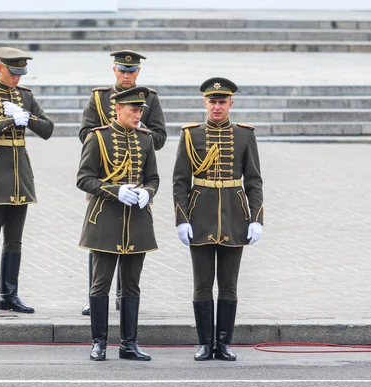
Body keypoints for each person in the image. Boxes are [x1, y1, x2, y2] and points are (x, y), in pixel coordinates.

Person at [172, 77, 264, 361]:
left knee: (228, 284)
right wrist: (181, 218)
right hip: (200, 216)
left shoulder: (245, 135)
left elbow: (254, 181)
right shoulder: (191, 135)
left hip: (234, 217)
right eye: (212, 101)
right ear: (205, 103)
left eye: (222, 101)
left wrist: (256, 218)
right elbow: (180, 181)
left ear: (230, 104)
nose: (217, 106)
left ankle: (223, 344)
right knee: (201, 283)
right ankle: (204, 343)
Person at [79, 49, 167, 316]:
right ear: (114, 70)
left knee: (131, 243)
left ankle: (123, 294)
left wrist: (137, 133)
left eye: (132, 71)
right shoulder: (99, 97)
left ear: (138, 72)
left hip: (135, 180)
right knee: (101, 242)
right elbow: (85, 133)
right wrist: (110, 133)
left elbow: (160, 136)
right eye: (122, 70)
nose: (127, 75)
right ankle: (97, 293)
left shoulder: (148, 98)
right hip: (105, 180)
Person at [0, 47, 54, 316]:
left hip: (20, 176)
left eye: (20, 73)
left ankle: (9, 294)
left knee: (14, 241)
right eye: (12, 72)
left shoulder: (26, 96)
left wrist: (27, 118)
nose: (16, 78)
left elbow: (48, 129)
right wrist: (7, 121)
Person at [77, 87, 159, 361]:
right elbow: (84, 178)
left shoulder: (146, 139)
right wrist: (114, 190)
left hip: (136, 220)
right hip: (105, 218)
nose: (138, 115)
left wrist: (148, 192)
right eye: (133, 111)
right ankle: (98, 342)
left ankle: (128, 344)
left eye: (140, 111)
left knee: (132, 285)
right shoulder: (97, 137)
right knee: (101, 284)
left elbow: (153, 178)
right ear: (118, 109)